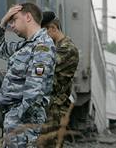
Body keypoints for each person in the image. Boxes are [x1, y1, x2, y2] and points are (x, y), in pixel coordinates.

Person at [0, 3, 56, 148]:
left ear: (28, 17)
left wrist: (20, 117)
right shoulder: (24, 46)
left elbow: (34, 88)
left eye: (14, 20)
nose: (12, 25)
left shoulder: (42, 46)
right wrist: (3, 21)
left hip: (23, 120)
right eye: (10, 22)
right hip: (14, 118)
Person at [39, 11, 79, 148]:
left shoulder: (67, 48)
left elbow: (46, 67)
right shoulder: (57, 47)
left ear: (53, 28)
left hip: (56, 110)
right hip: (51, 108)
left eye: (44, 32)